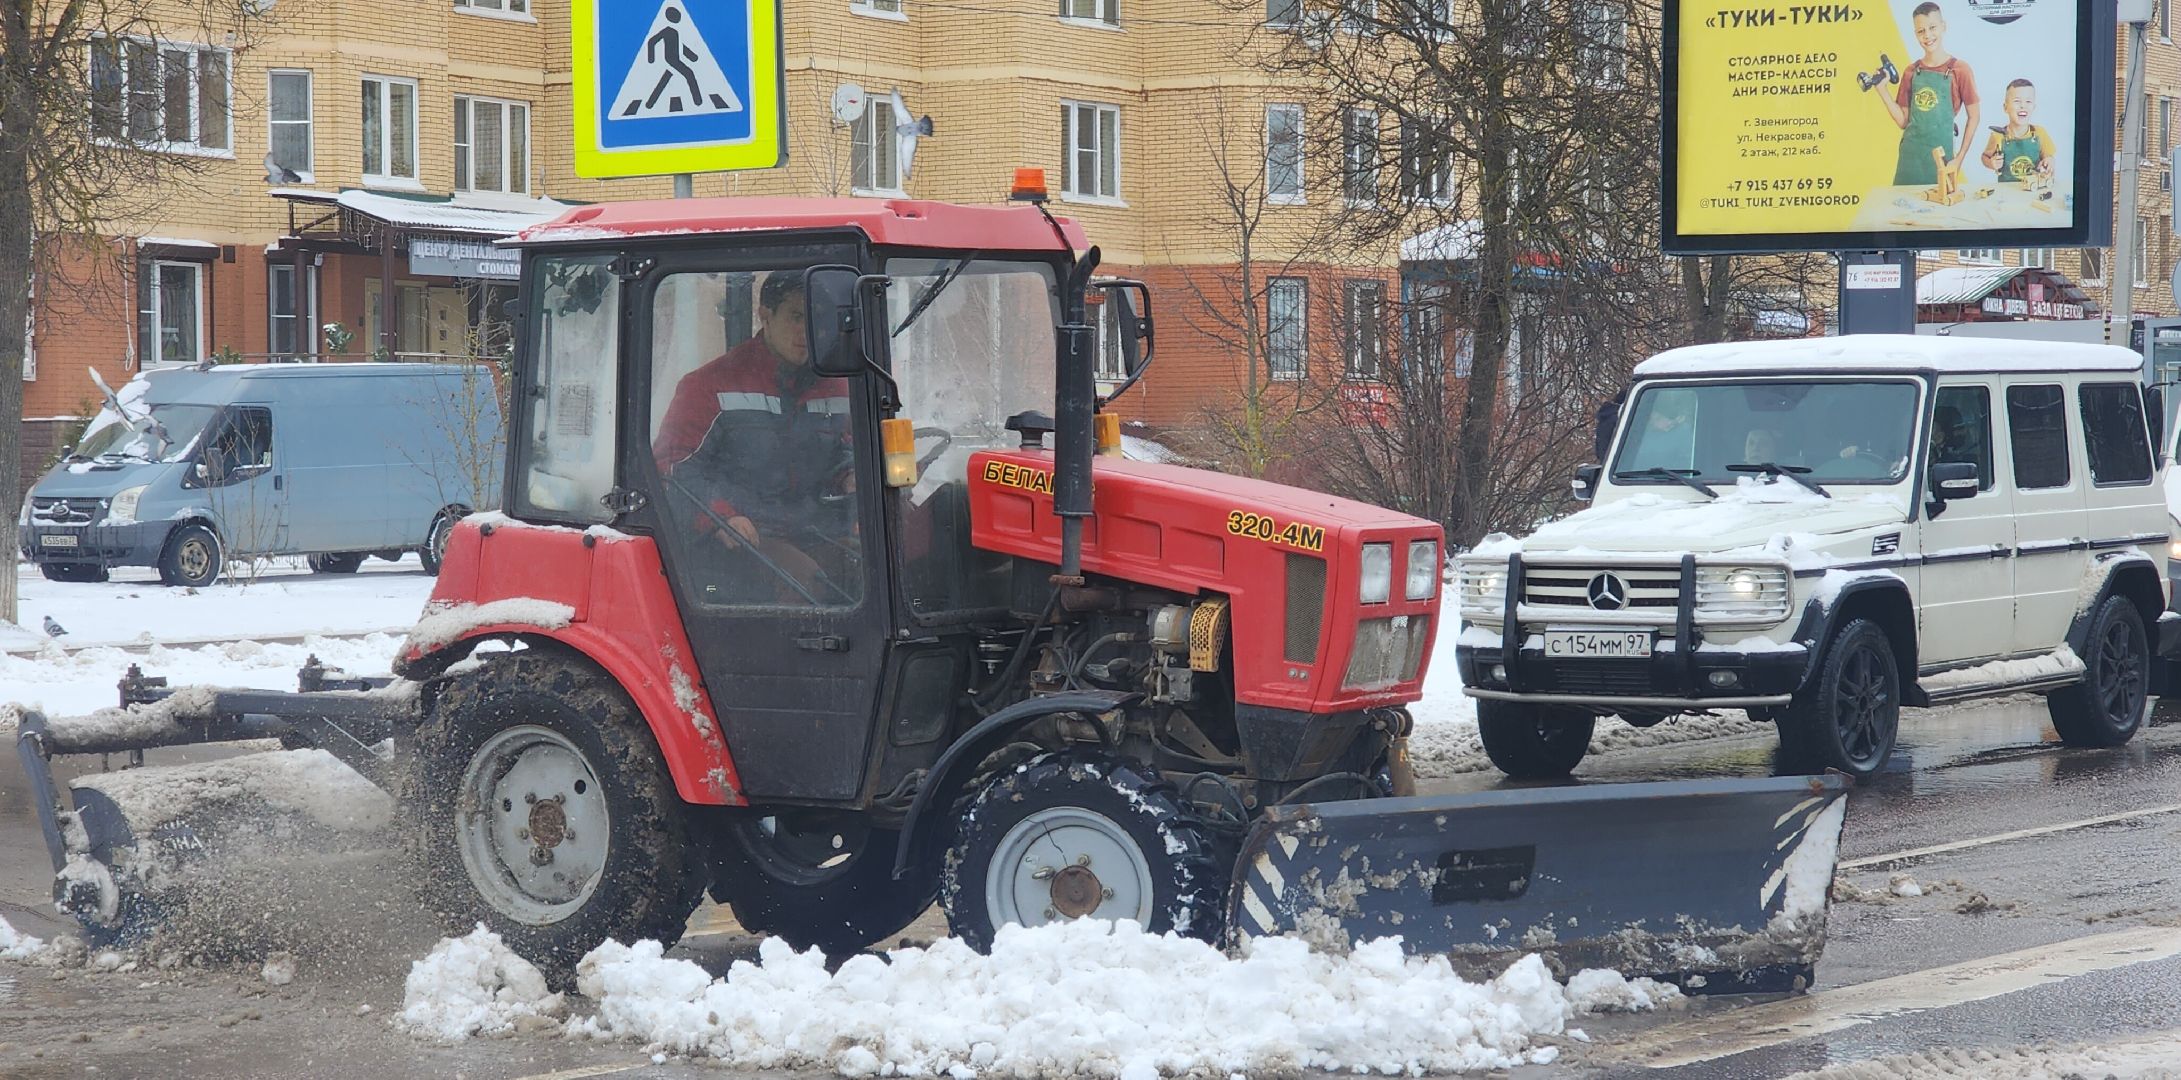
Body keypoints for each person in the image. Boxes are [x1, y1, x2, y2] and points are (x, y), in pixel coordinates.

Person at [653, 272, 856, 604]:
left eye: (816, 319)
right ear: (766, 315)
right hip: (744, 536)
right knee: (804, 580)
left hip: (814, 528)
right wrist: (721, 515)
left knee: (876, 567)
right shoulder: (711, 385)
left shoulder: (836, 387)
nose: (807, 332)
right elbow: (672, 467)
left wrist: (850, 476)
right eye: (796, 316)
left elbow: (842, 452)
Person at [1872, 2, 1980, 188]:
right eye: (1921, 31)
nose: (1927, 35)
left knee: (1942, 202)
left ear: (1943, 27)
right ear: (1915, 34)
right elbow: (1903, 121)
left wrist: (1959, 158)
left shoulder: (1960, 70)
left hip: (1942, 160)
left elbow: (1974, 116)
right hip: (1910, 160)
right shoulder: (1911, 72)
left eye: (1932, 28)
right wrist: (1882, 90)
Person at [1979, 79, 2056, 184]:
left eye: (2028, 101)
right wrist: (1991, 163)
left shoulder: (2040, 133)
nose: (2023, 105)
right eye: (2017, 101)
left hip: (2034, 187)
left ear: (2034, 107)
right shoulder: (1998, 136)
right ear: (2005, 108)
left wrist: (2049, 161)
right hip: (2006, 189)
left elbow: (2049, 156)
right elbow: (1984, 157)